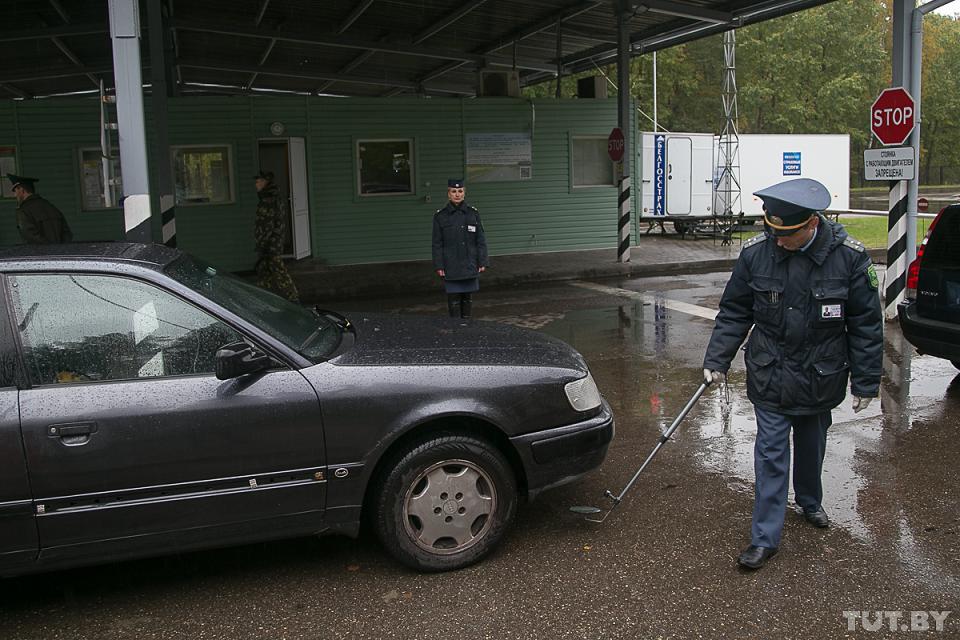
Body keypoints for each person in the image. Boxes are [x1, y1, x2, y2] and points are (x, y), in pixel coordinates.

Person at [702, 177, 883, 570]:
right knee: (770, 452)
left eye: (787, 234)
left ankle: (809, 500)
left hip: (821, 373)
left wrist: (866, 382)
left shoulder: (850, 258)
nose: (778, 240)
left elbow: (866, 325)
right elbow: (734, 312)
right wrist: (716, 360)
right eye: (773, 231)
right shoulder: (756, 253)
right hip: (770, 370)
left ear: (812, 223)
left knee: (812, 443)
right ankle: (764, 538)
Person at [432, 178, 488, 319]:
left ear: (464, 193)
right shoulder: (440, 216)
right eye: (454, 191)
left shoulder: (473, 213)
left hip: (469, 262)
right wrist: (439, 265)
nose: (457, 194)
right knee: (453, 298)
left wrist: (482, 261)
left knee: (467, 298)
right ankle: (455, 326)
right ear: (448, 194)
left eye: (460, 191)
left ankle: (466, 325)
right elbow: (437, 243)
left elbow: (480, 240)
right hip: (451, 263)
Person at [253, 170, 299, 302]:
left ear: (265, 182)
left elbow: (267, 225)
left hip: (270, 245)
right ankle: (262, 299)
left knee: (279, 271)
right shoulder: (267, 197)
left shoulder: (269, 200)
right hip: (268, 244)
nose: (256, 184)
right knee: (263, 272)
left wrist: (263, 245)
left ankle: (294, 298)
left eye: (258, 182)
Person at [8, 174, 72, 244]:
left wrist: (49, 248)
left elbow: (30, 237)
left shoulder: (23, 210)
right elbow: (67, 234)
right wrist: (59, 248)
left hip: (40, 251)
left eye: (15, 191)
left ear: (22, 190)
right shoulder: (51, 206)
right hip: (59, 250)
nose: (15, 195)